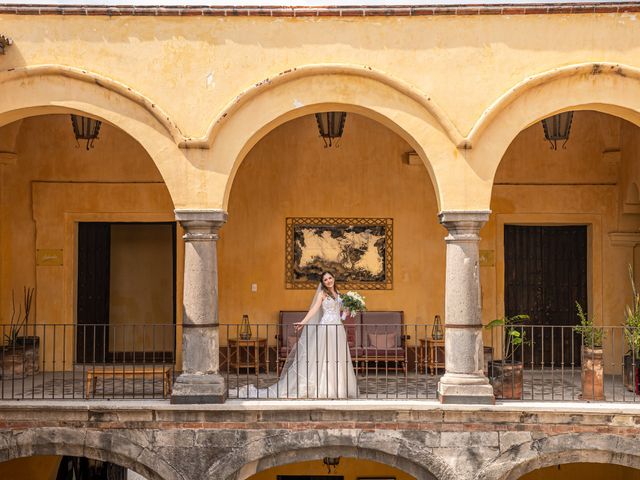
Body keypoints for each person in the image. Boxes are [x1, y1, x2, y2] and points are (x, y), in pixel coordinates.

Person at [237, 271, 358, 399]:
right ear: (322, 283)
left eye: (330, 278)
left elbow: (342, 314)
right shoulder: (322, 294)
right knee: (323, 358)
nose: (328, 281)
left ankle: (337, 389)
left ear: (334, 278)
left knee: (336, 358)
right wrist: (303, 322)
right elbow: (314, 310)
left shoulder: (339, 295)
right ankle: (322, 389)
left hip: (338, 328)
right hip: (326, 328)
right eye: (325, 279)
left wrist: (349, 309)